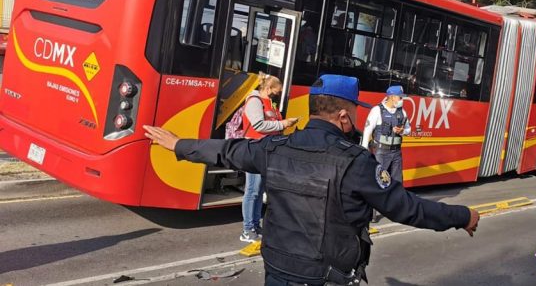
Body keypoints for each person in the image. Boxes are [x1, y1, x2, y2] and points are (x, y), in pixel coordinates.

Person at [144, 74, 479, 286]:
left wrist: (180, 145)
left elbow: (228, 151)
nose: (360, 117)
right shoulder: (357, 162)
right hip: (324, 277)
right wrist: (462, 216)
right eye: (357, 111)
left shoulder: (275, 147)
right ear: (344, 116)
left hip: (276, 269)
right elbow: (407, 208)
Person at [239, 74, 299, 243]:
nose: (277, 95)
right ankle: (247, 229)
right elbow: (258, 125)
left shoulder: (268, 102)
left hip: (265, 150)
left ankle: (255, 226)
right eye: (276, 92)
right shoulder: (254, 101)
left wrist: (284, 124)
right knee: (252, 190)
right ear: (268, 88)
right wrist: (283, 124)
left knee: (258, 190)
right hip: (254, 149)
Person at [361, 85, 410, 184]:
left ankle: (395, 200)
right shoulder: (377, 110)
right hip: (381, 152)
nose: (402, 100)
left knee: (397, 183)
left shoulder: (402, 112)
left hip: (396, 153)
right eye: (400, 97)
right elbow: (367, 131)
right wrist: (363, 151)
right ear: (392, 97)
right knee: (379, 182)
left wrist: (402, 131)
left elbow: (409, 130)